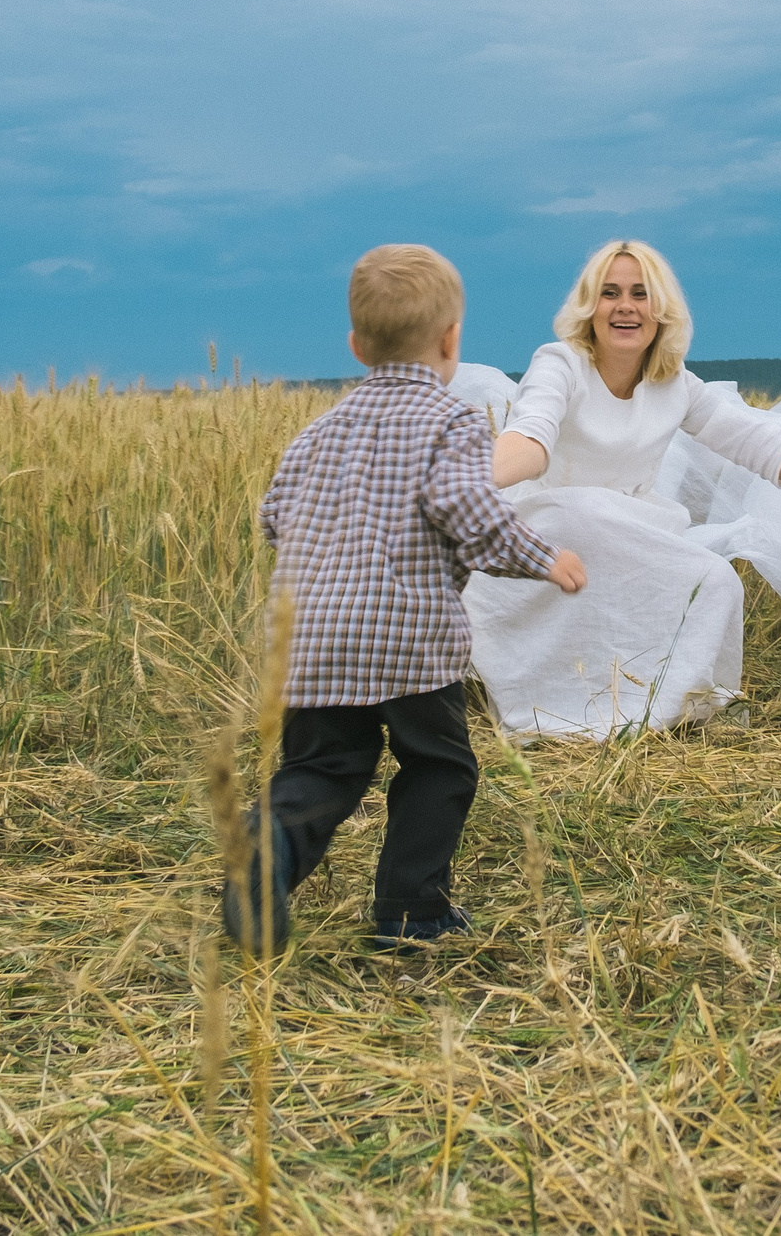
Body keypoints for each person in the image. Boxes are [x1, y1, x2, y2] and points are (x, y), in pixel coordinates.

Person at [230, 243, 586, 953]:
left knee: (321, 768)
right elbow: (470, 512)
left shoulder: (316, 431)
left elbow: (273, 518)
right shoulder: (452, 422)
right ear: (451, 340)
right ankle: (410, 910)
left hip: (310, 640)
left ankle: (265, 851)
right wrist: (545, 557)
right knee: (439, 767)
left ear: (357, 346)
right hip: (409, 640)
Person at [465, 238, 781, 736]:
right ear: (589, 306)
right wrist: (457, 485)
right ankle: (551, 705)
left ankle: (665, 710)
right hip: (550, 530)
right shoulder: (560, 363)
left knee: (715, 579)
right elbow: (530, 440)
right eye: (610, 293)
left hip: (632, 529)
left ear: (662, 310)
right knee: (584, 510)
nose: (625, 306)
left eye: (640, 293)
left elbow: (774, 450)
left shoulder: (676, 386)